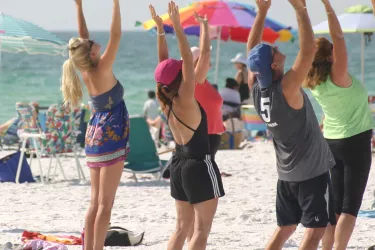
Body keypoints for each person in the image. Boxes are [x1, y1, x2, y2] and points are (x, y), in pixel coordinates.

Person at [246, 0, 336, 249]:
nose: (276, 47)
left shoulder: (255, 88)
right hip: (311, 173)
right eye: (273, 50)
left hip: (286, 174)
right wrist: (300, 10)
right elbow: (307, 51)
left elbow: (251, 51)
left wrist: (261, 12)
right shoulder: (286, 87)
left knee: (286, 227)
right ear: (274, 65)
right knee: (316, 229)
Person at [153, 2, 224, 250]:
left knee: (181, 228)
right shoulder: (186, 97)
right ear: (182, 77)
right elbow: (185, 58)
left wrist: (162, 31)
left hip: (178, 165)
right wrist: (178, 27)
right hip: (199, 164)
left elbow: (163, 64)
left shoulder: (165, 100)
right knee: (201, 230)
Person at [303, 1, 374, 249]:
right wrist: (328, 7)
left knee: (335, 205)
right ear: (331, 55)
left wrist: (303, 13)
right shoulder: (338, 73)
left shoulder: (314, 81)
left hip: (332, 142)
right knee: (349, 207)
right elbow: (339, 36)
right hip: (355, 142)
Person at [60, 0, 129, 249]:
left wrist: (79, 6)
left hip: (95, 131)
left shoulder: (86, 68)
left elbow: (82, 38)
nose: (92, 41)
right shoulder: (101, 67)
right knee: (105, 204)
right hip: (110, 132)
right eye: (90, 44)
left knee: (94, 203)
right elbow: (116, 34)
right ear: (90, 53)